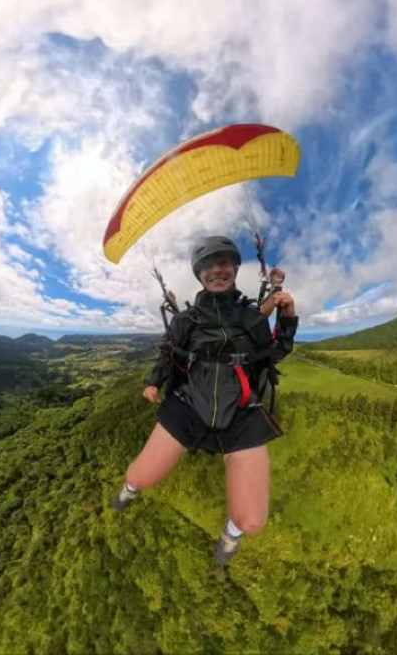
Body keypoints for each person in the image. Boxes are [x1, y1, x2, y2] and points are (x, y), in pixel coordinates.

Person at [112, 235, 298, 564]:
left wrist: (288, 318)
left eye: (224, 263)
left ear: (236, 268)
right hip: (190, 405)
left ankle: (232, 532)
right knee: (139, 476)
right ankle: (130, 490)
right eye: (208, 266)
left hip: (241, 412)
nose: (217, 270)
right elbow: (169, 352)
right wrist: (155, 381)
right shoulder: (187, 321)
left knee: (252, 520)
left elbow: (275, 354)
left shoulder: (252, 320)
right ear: (199, 274)